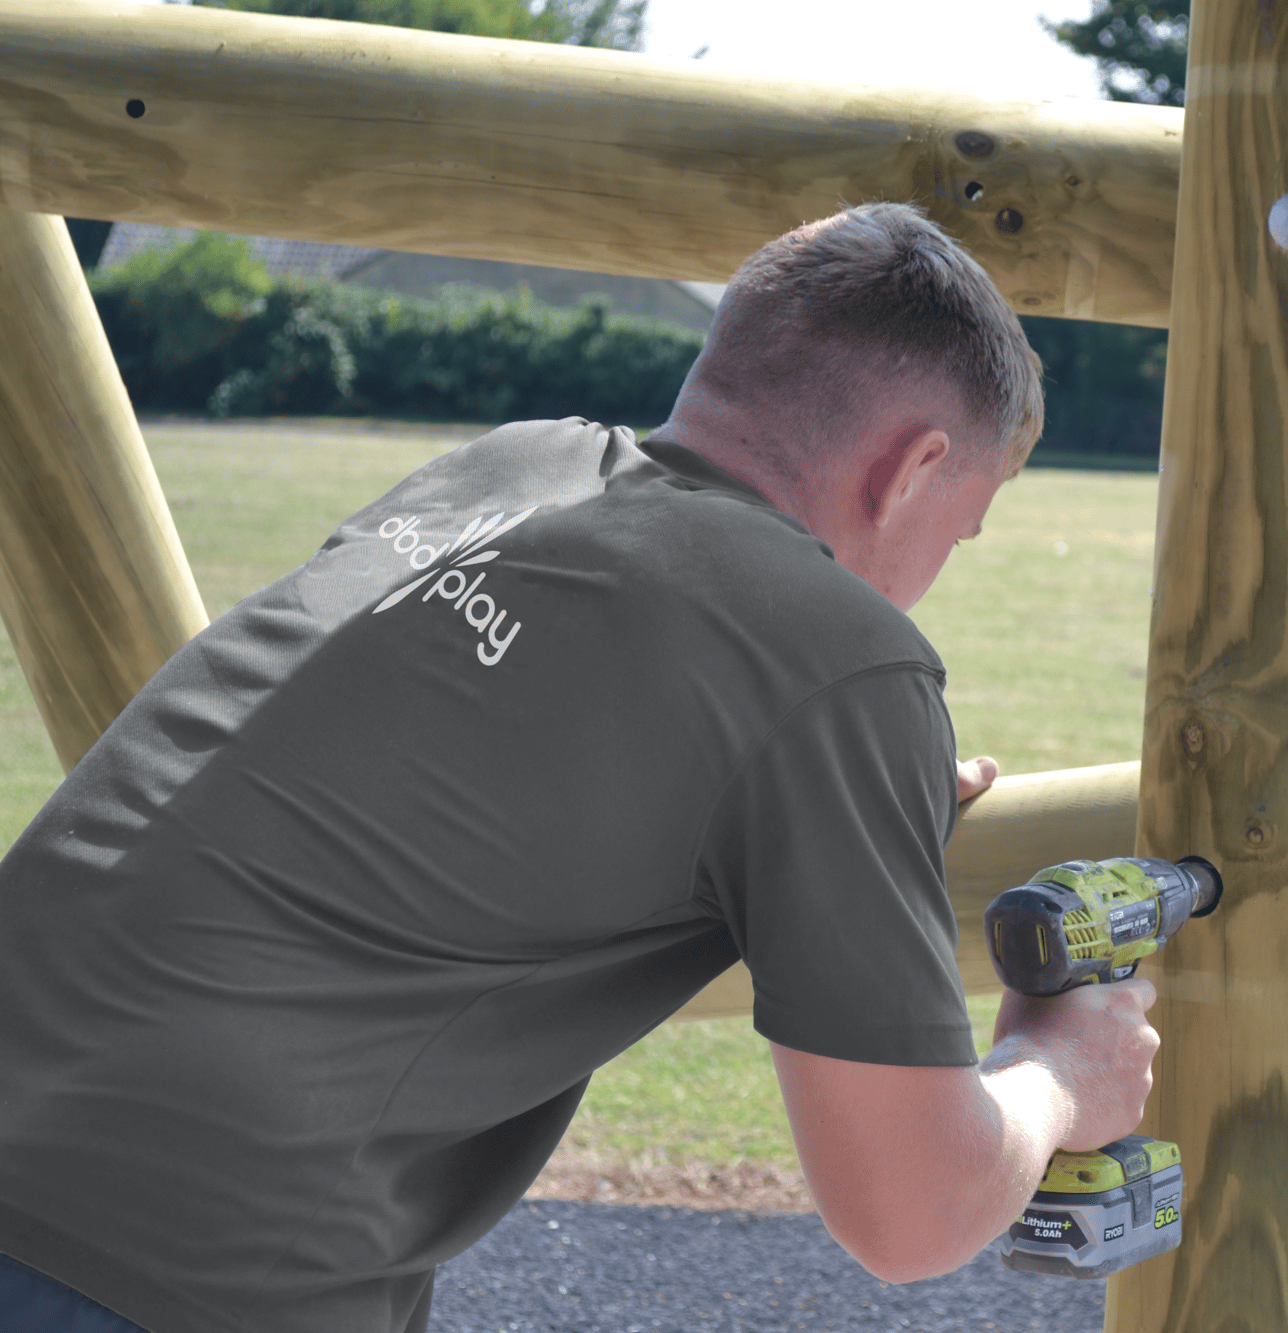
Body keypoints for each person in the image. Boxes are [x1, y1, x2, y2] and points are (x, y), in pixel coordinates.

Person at [0, 203, 1161, 1333]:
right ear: (911, 470)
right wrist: (1057, 1068)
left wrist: (851, 805)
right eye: (958, 532)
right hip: (172, 1267)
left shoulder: (508, 468)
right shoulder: (834, 662)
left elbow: (496, 762)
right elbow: (911, 1212)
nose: (931, 573)